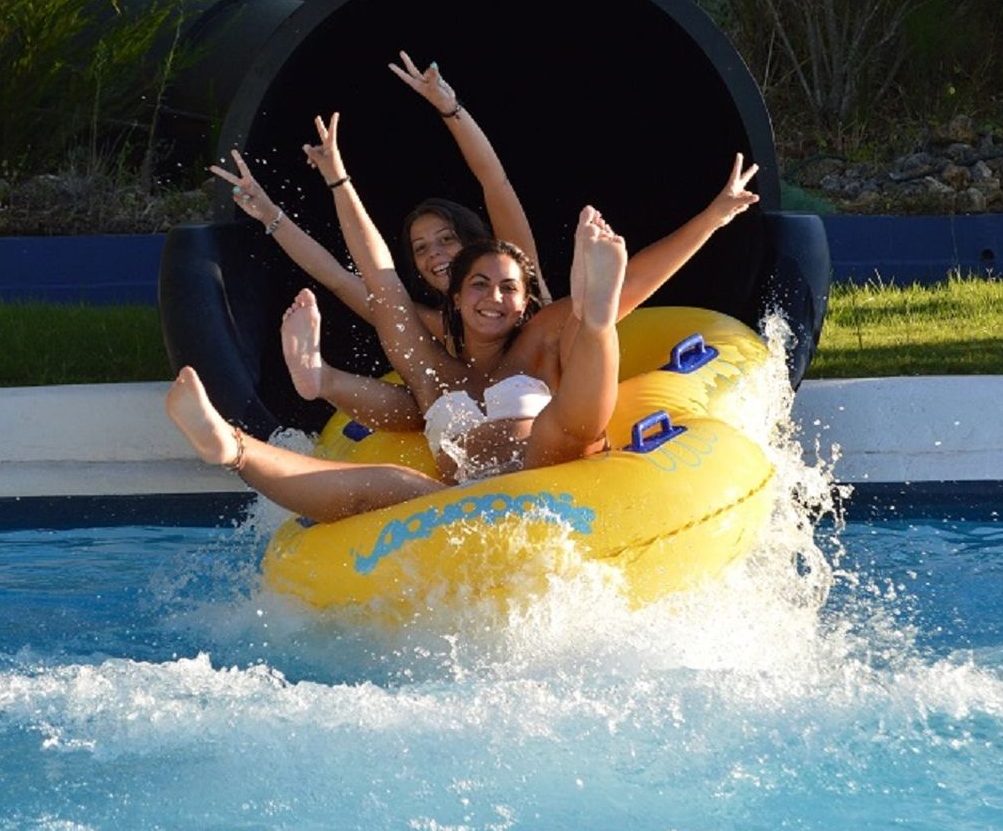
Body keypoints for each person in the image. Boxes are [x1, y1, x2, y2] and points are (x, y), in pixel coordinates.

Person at [167, 111, 761, 521]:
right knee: (385, 485)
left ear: (524, 298)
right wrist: (336, 181)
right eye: (479, 285)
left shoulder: (540, 333)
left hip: (552, 468)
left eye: (508, 289)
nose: (495, 297)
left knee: (564, 418)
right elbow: (378, 278)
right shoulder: (431, 363)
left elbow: (632, 276)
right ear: (454, 298)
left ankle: (600, 316)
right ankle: (230, 446)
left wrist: (713, 215)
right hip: (463, 498)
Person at [212, 52, 547, 430]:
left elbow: (495, 182)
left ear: (477, 243)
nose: (434, 253)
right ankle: (320, 377)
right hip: (454, 422)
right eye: (420, 249)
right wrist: (272, 214)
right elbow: (340, 277)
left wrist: (450, 108)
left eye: (447, 239)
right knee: (420, 393)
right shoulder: (428, 322)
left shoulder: (521, 283)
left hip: (541, 414)